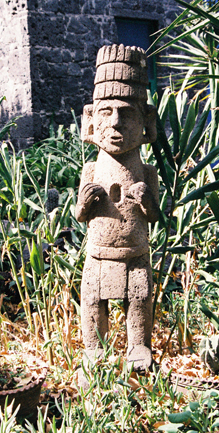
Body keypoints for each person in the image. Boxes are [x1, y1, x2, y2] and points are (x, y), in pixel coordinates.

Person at [75, 45, 159, 375]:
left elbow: (154, 218)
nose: (116, 122)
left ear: (146, 122)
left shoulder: (147, 172)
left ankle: (139, 347)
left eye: (127, 113)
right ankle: (94, 350)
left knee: (139, 300)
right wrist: (84, 203)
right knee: (93, 302)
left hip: (136, 252)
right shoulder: (90, 171)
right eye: (106, 112)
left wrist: (147, 201)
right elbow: (80, 216)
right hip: (98, 254)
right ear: (91, 121)